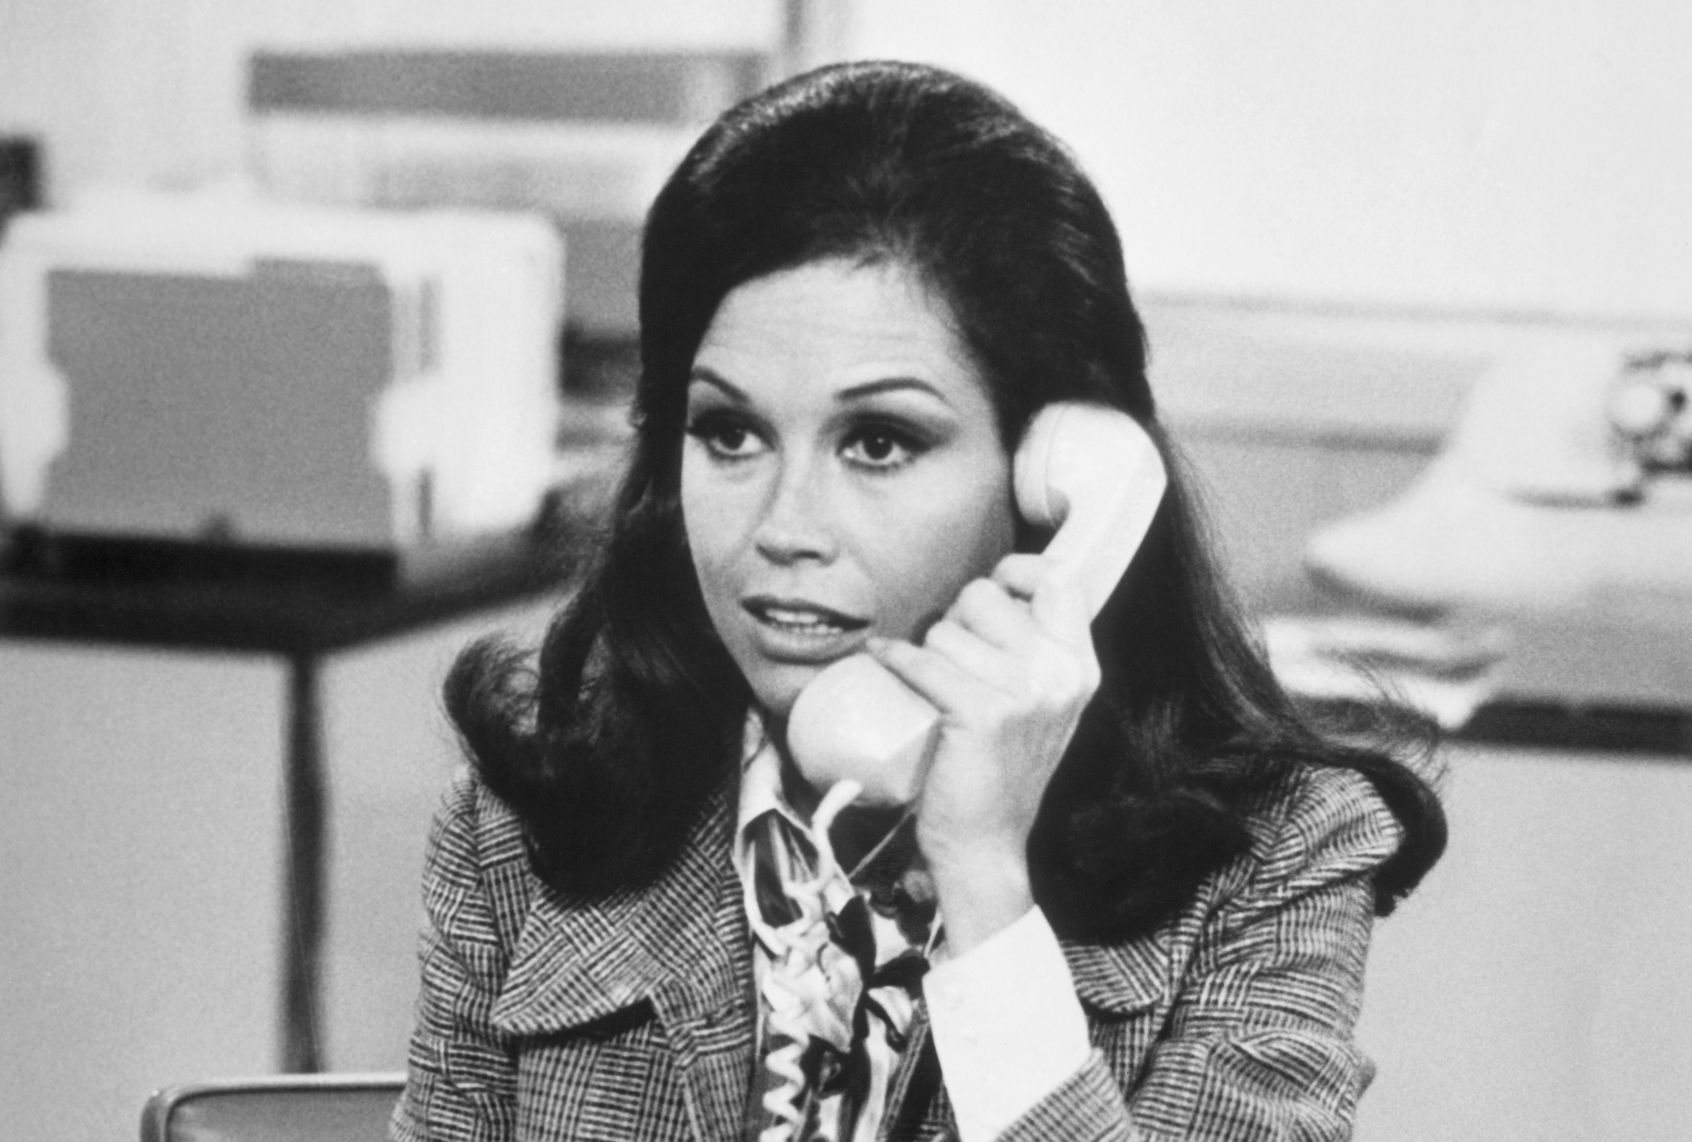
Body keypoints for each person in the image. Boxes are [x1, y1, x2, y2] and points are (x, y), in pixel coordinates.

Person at [391, 59, 1446, 1142]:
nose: (784, 525)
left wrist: (987, 887)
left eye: (879, 441)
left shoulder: (1276, 862)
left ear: (1058, 471)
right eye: (730, 432)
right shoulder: (524, 828)